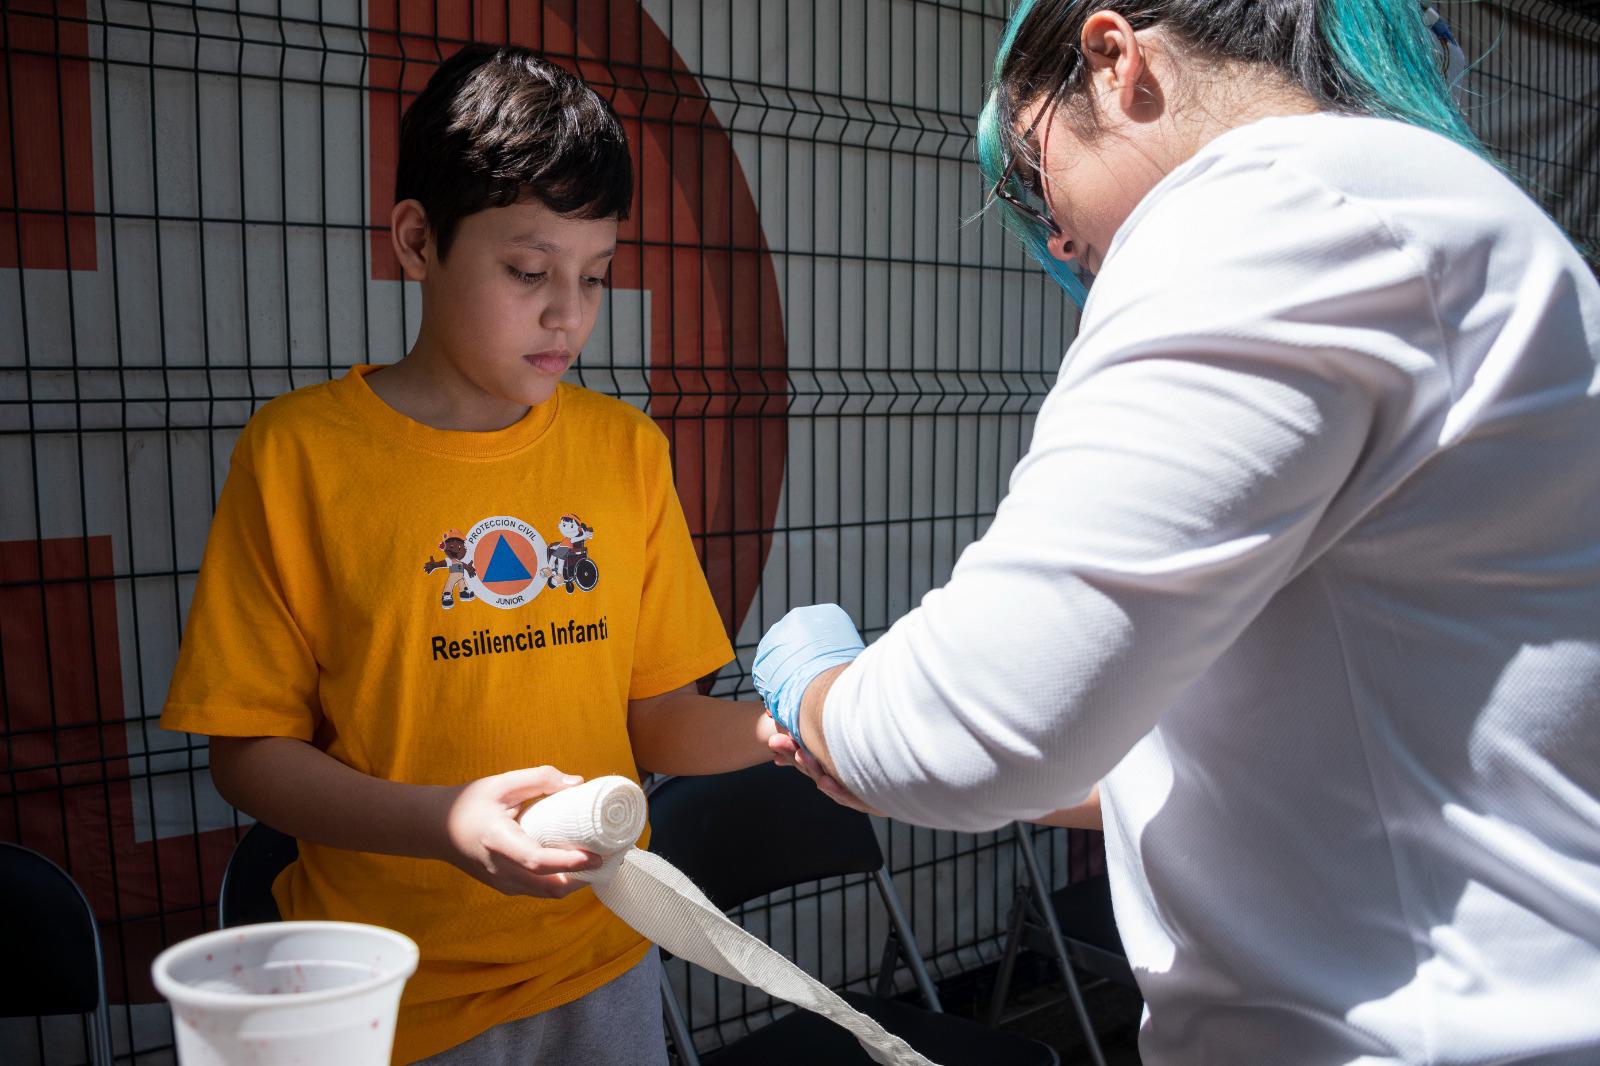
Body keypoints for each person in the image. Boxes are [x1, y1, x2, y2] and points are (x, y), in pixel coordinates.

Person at [754, 1, 1600, 1063]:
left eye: (1031, 170)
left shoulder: (1271, 207)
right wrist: (875, 747)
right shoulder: (1452, 219)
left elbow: (978, 719)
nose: (1054, 237)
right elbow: (1294, 753)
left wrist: (820, 682)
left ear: (1113, 62)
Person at [161, 45, 777, 1065]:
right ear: (416, 240)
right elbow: (247, 750)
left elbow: (660, 722)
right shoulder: (301, 456)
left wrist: (812, 720)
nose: (567, 312)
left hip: (603, 959)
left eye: (595, 276)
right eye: (527, 271)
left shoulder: (625, 451)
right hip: (385, 991)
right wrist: (443, 822)